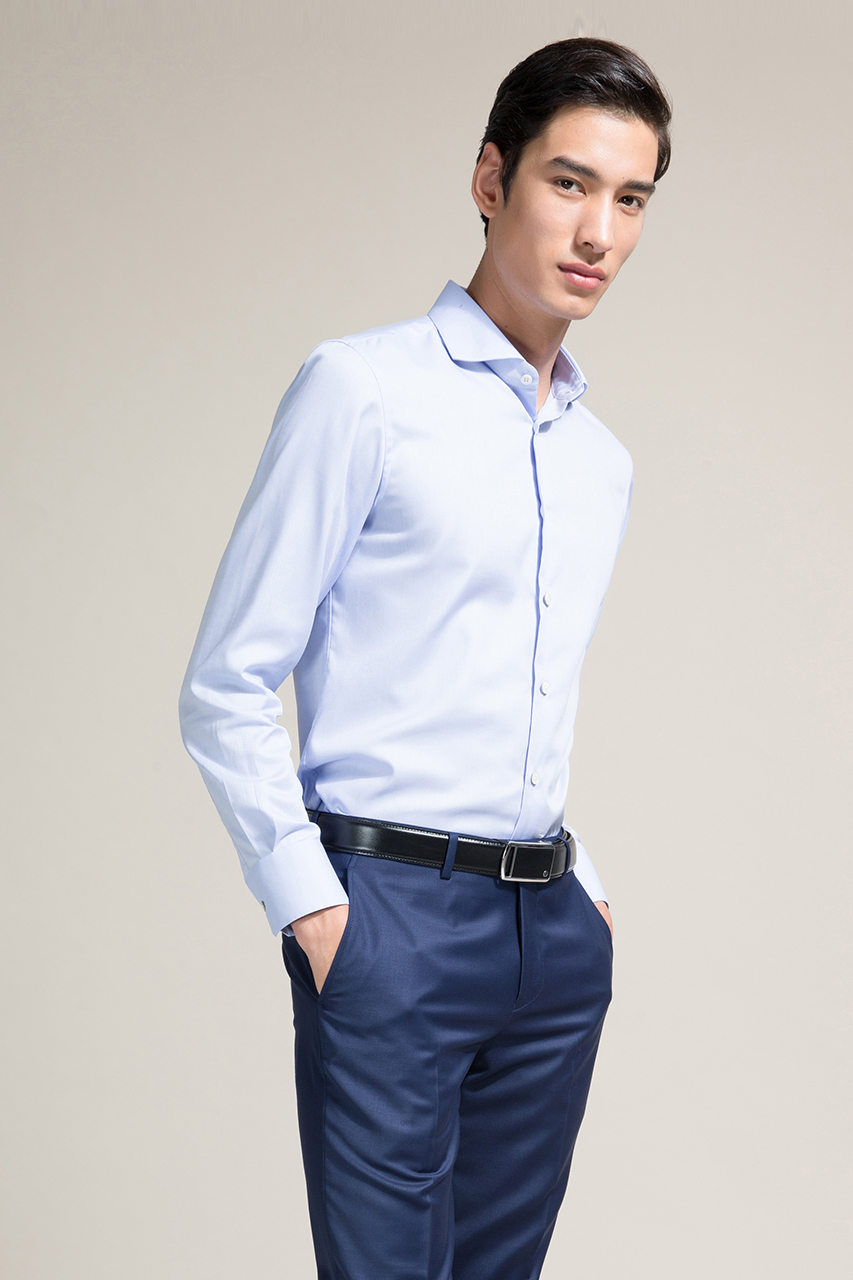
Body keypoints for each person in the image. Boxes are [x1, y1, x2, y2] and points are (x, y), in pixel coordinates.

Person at [180, 36, 671, 1280]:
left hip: (549, 939)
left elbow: (527, 693)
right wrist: (313, 904)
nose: (598, 231)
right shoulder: (361, 391)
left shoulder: (600, 461)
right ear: (490, 179)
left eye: (630, 199)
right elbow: (227, 680)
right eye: (569, 182)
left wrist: (583, 895)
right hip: (389, 917)